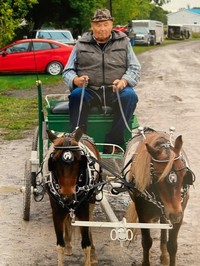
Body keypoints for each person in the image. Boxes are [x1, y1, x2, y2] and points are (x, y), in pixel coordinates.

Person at [62, 8, 141, 153]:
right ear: (92, 26)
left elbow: (135, 67)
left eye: (105, 24)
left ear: (111, 25)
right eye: (98, 25)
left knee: (130, 96)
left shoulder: (124, 42)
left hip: (115, 90)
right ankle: (80, 139)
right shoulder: (80, 44)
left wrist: (124, 81)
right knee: (76, 95)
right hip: (90, 90)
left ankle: (114, 140)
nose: (102, 28)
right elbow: (67, 70)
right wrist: (75, 80)